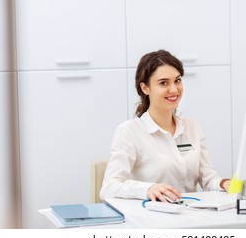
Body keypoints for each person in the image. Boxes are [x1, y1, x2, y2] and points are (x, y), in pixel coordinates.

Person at [99, 49, 233, 203]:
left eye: (177, 80)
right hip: (150, 218)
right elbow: (109, 187)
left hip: (192, 216)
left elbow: (208, 178)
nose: (174, 89)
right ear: (145, 88)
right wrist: (148, 189)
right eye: (164, 83)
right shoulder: (129, 131)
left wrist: (225, 184)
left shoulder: (192, 127)